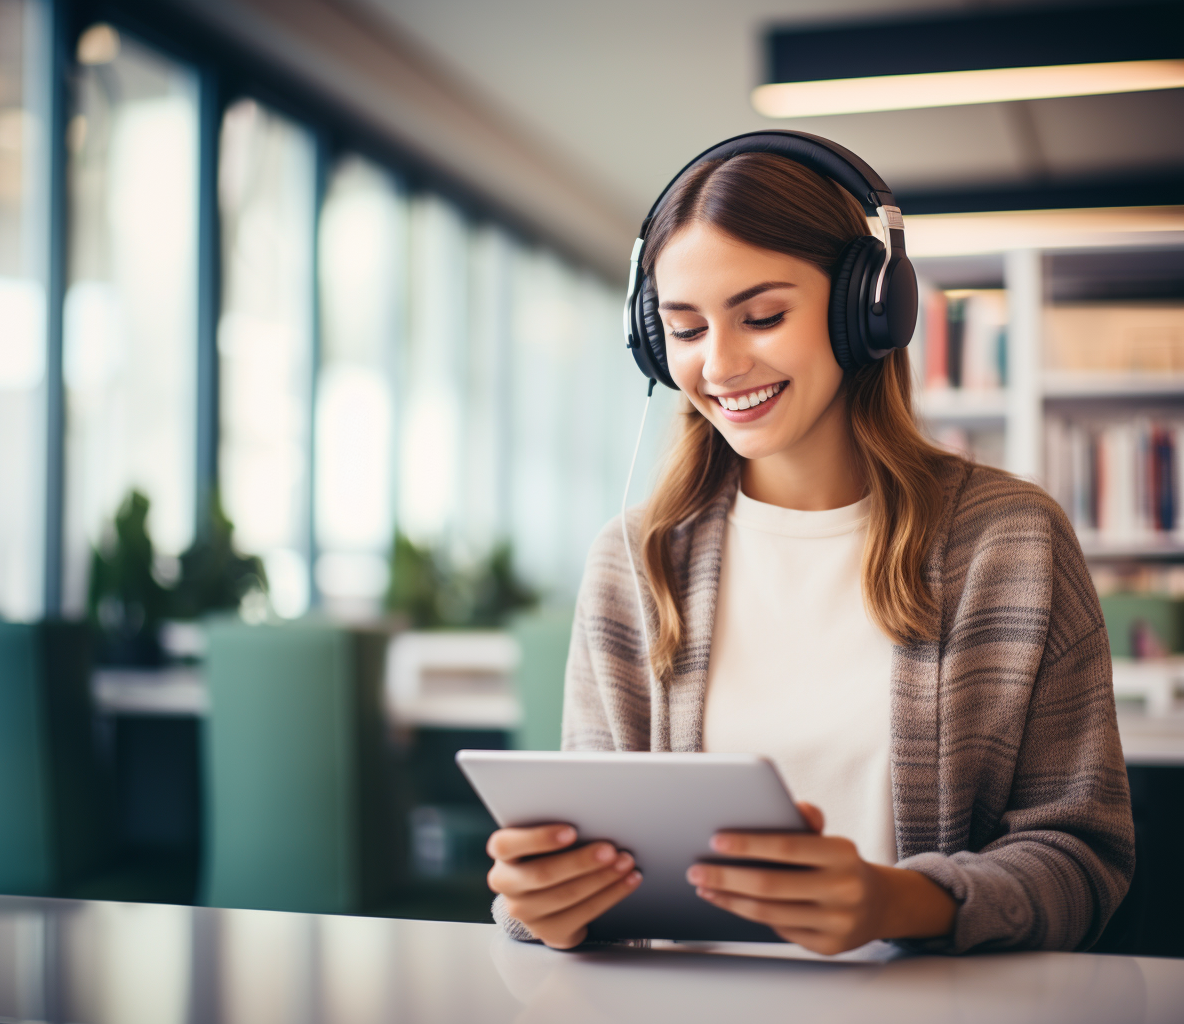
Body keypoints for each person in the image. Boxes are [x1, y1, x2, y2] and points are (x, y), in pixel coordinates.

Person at [486, 138, 1133, 956]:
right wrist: (547, 905)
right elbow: (587, 863)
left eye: (762, 316)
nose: (719, 365)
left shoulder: (1011, 543)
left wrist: (901, 903)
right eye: (683, 330)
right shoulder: (634, 559)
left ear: (866, 309)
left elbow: (1085, 858)